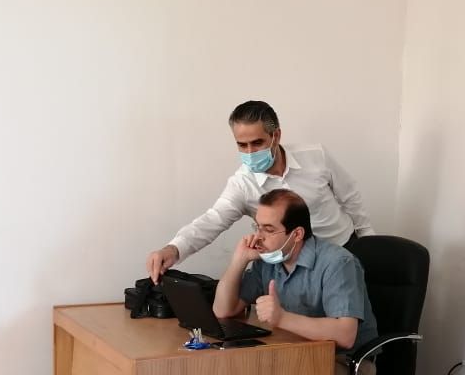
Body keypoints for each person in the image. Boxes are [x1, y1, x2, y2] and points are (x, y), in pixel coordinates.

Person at [213, 188, 378, 375]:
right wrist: (238, 261)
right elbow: (224, 309)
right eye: (257, 226)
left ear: (297, 234)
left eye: (268, 229)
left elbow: (346, 335)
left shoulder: (338, 263)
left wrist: (282, 318)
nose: (258, 237)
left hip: (346, 363)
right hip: (295, 354)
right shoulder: (268, 261)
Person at [146, 100, 374, 283]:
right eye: (241, 145)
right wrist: (174, 249)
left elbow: (350, 195)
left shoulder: (316, 155)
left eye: (257, 143)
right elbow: (212, 220)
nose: (249, 152)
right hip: (293, 266)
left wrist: (370, 241)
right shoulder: (242, 184)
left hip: (344, 248)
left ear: (276, 136)